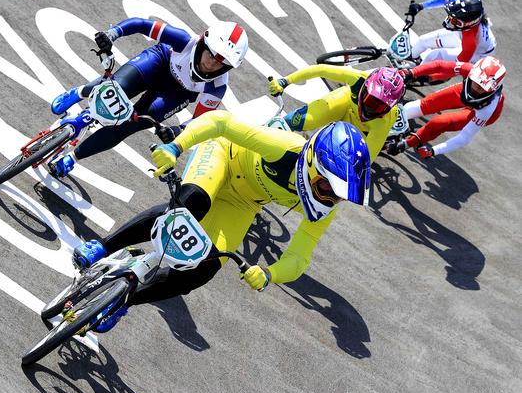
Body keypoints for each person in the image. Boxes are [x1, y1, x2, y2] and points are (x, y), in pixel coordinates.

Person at [69, 113, 378, 332]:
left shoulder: (323, 208)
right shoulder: (283, 148)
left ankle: (122, 302)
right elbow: (221, 122)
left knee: (200, 272)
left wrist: (270, 274)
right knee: (190, 207)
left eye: (339, 197)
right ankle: (103, 247)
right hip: (222, 158)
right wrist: (176, 147)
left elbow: (300, 256)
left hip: (243, 203)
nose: (329, 200)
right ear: (312, 163)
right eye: (327, 188)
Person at [47, 18, 249, 177]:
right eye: (211, 55)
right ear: (203, 44)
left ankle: (72, 158)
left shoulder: (216, 87)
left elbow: (199, 121)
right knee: (114, 87)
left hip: (177, 93)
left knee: (128, 125)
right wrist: (112, 34)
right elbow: (141, 24)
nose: (212, 64)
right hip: (158, 62)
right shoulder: (183, 41)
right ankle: (79, 92)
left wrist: (178, 130)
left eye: (221, 63)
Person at [387, 56, 505, 158]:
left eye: (482, 87)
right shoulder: (469, 69)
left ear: (493, 89)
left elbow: (465, 137)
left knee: (439, 122)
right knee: (417, 106)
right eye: (476, 82)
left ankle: (407, 143)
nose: (476, 89)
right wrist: (413, 72)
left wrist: (434, 151)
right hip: (462, 93)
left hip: (480, 110)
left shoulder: (488, 109)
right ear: (472, 74)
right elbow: (440, 66)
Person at [267, 65, 405, 147]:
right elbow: (320, 69)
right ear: (365, 86)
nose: (370, 109)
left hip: (360, 129)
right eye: (370, 100)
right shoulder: (359, 79)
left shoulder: (383, 122)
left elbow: (367, 160)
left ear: (389, 107)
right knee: (306, 119)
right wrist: (285, 81)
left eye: (379, 108)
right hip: (344, 104)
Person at [406, 0, 495, 73]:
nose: (450, 21)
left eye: (455, 21)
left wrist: (432, 77)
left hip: (477, 54)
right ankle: (409, 59)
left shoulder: (471, 40)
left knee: (433, 55)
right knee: (423, 41)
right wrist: (420, 6)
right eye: (451, 17)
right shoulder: (461, 8)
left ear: (468, 23)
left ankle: (415, 74)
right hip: (463, 33)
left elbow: (455, 69)